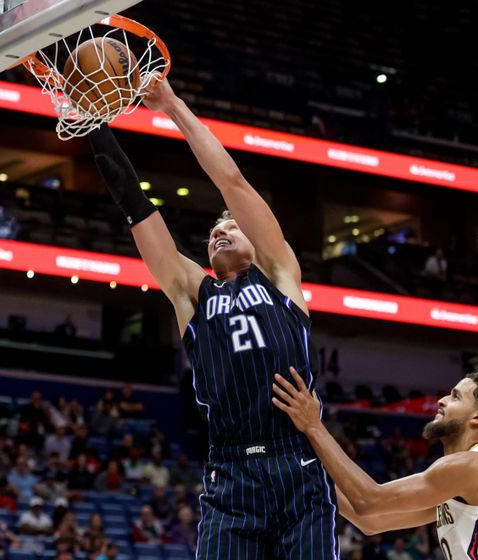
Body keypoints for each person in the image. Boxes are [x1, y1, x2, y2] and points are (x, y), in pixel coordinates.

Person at [88, 76, 333, 558]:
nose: (220, 229)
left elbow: (231, 181)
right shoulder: (192, 292)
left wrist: (173, 106)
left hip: (298, 460)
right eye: (213, 229)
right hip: (231, 472)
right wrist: (94, 124)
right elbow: (136, 207)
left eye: (232, 226)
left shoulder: (279, 273)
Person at [272, 369, 478, 558]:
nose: (441, 400)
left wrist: (313, 426)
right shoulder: (463, 486)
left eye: (456, 396)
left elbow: (370, 500)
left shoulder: (473, 466)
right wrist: (309, 465)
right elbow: (372, 522)